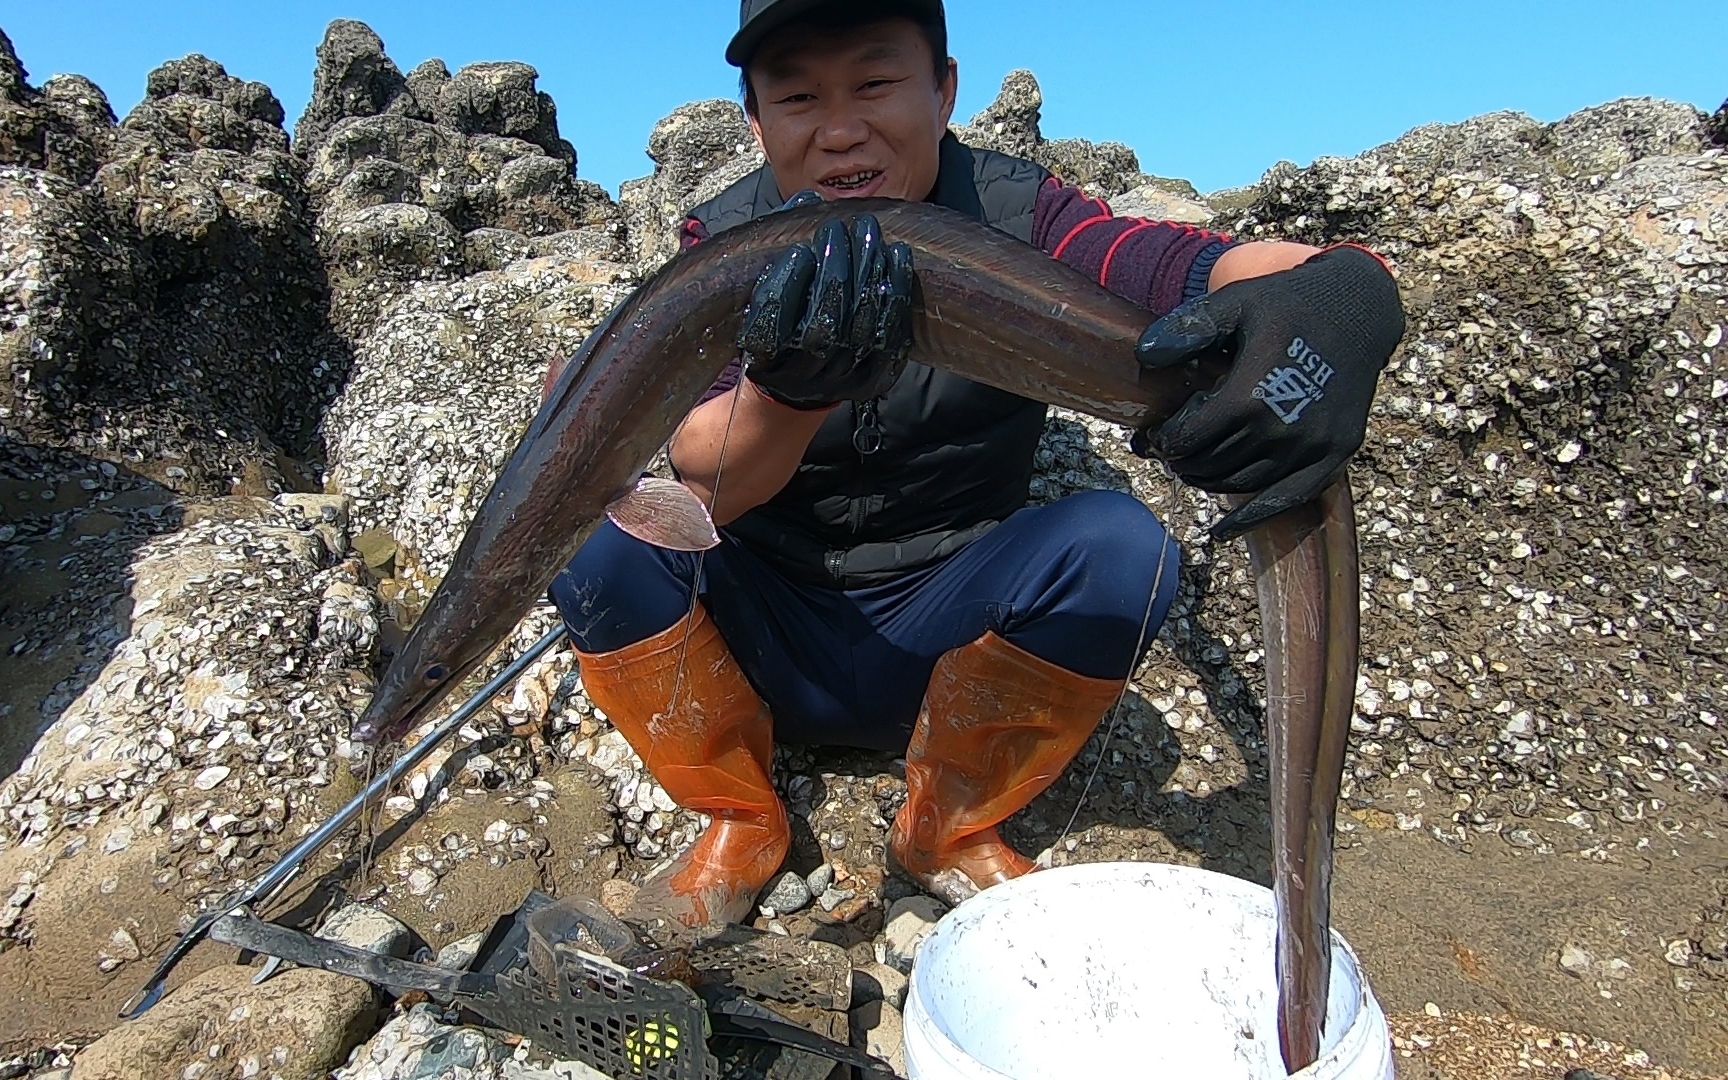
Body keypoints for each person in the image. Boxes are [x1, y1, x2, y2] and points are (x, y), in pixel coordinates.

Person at [545, 0, 1406, 929]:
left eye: (876, 83)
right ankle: (738, 817)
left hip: (948, 625)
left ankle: (946, 825)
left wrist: (1343, 296)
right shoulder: (721, 245)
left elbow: (1179, 267)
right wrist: (789, 397)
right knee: (588, 530)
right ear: (755, 120)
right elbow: (705, 482)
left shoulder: (1022, 215)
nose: (841, 129)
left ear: (944, 89)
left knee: (1124, 549)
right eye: (797, 97)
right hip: (767, 629)